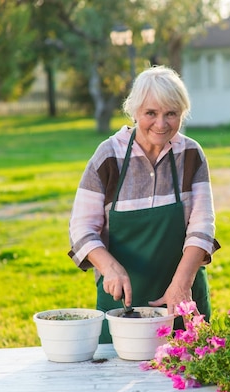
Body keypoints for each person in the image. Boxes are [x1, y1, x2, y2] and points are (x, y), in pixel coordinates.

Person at [69, 66, 220, 343]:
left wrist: (181, 285)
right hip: (122, 303)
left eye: (171, 114)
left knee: (192, 374)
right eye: (151, 113)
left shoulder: (190, 155)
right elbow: (82, 228)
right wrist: (110, 268)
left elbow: (202, 226)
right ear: (135, 111)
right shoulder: (108, 155)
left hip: (184, 295)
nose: (161, 124)